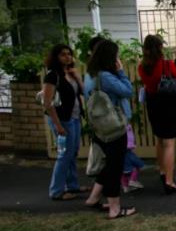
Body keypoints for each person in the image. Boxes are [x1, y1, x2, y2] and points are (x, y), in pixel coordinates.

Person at [83, 40, 136, 219]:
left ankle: (94, 197)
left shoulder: (90, 75)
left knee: (108, 164)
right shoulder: (106, 76)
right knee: (115, 166)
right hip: (113, 126)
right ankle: (115, 208)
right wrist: (121, 72)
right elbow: (128, 90)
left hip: (98, 126)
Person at [138, 34, 176, 195]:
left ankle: (162, 171)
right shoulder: (167, 64)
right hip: (168, 104)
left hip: (153, 103)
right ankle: (169, 182)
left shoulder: (142, 66)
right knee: (170, 142)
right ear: (160, 47)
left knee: (159, 139)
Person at [41, 44, 87, 201]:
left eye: (69, 54)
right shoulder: (53, 76)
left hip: (74, 117)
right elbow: (47, 103)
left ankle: (72, 185)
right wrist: (58, 125)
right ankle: (56, 190)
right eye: (63, 54)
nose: (67, 57)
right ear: (56, 57)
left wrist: (78, 78)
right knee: (64, 154)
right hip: (62, 119)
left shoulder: (70, 73)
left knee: (73, 152)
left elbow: (83, 92)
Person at [121, 125, 144, 193]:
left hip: (119, 160)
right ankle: (133, 180)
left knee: (121, 172)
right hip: (129, 167)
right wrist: (140, 164)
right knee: (135, 167)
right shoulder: (129, 153)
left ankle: (125, 186)